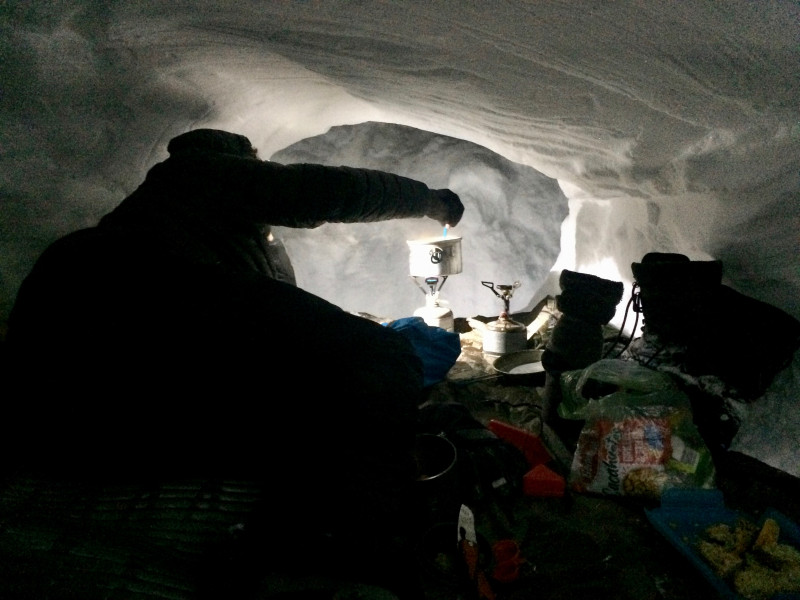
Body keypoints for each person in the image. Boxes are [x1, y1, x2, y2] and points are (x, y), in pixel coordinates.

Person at [4, 128, 464, 597]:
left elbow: (265, 324)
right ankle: (359, 536)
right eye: (256, 163)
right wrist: (428, 200)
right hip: (138, 289)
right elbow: (326, 191)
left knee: (295, 397)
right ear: (239, 159)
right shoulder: (198, 174)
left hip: (66, 410)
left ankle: (304, 526)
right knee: (379, 355)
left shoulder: (178, 218)